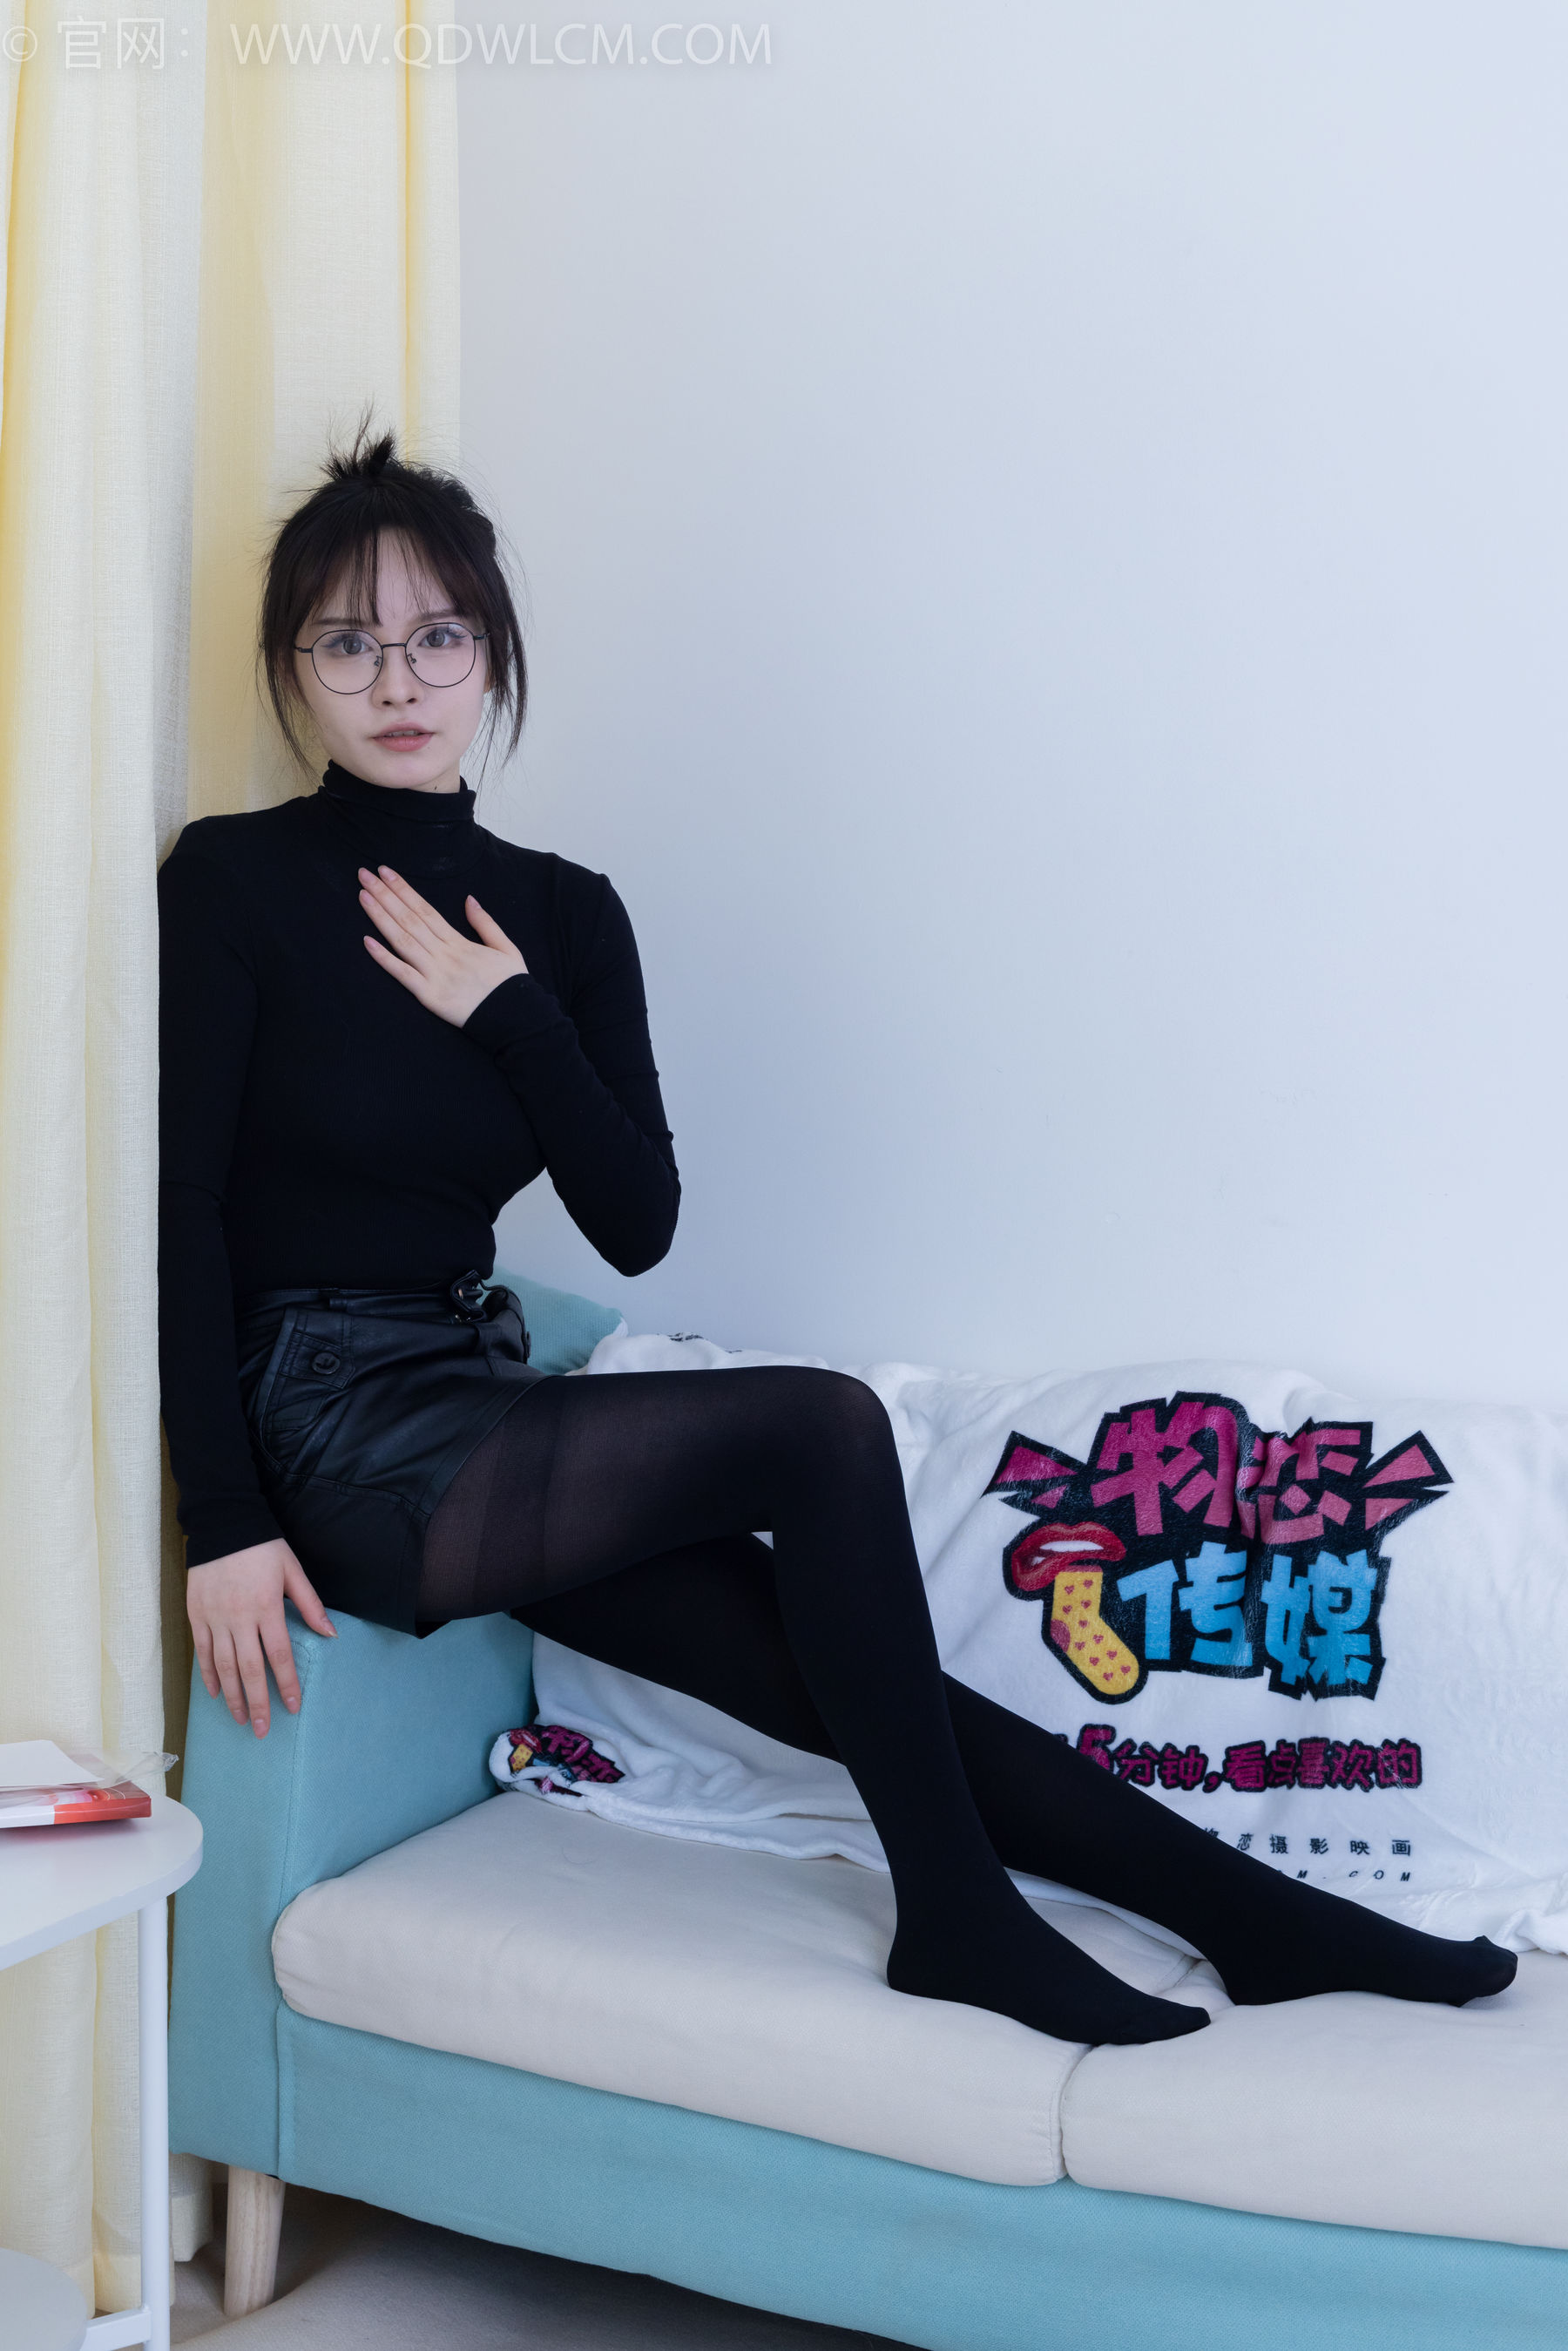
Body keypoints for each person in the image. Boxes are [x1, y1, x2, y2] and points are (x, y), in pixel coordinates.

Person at [160, 420, 1515, 2053]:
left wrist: (510, 1011)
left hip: (476, 1395)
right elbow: (184, 1204)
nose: (398, 679)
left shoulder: (565, 913)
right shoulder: (233, 883)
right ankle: (958, 1918)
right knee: (821, 1428)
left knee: (847, 1682)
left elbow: (638, 1222)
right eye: (348, 641)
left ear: (495, 653)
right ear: (293, 671)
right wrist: (222, 1520)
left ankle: (1260, 1919)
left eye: (437, 635)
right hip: (332, 1419)